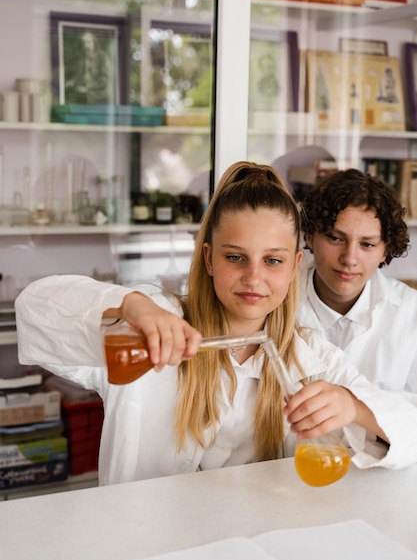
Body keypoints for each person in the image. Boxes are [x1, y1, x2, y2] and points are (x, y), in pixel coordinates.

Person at [15, 162, 417, 486]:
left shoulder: (310, 358)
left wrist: (354, 407)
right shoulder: (148, 330)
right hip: (141, 551)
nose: (254, 278)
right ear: (209, 259)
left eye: (273, 260)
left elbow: (410, 431)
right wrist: (129, 304)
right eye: (235, 258)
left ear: (295, 266)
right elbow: (34, 310)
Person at [298, 168, 417, 394]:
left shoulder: (412, 314)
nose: (349, 258)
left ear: (386, 251)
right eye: (335, 238)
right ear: (310, 236)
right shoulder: (274, 301)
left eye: (367, 244)